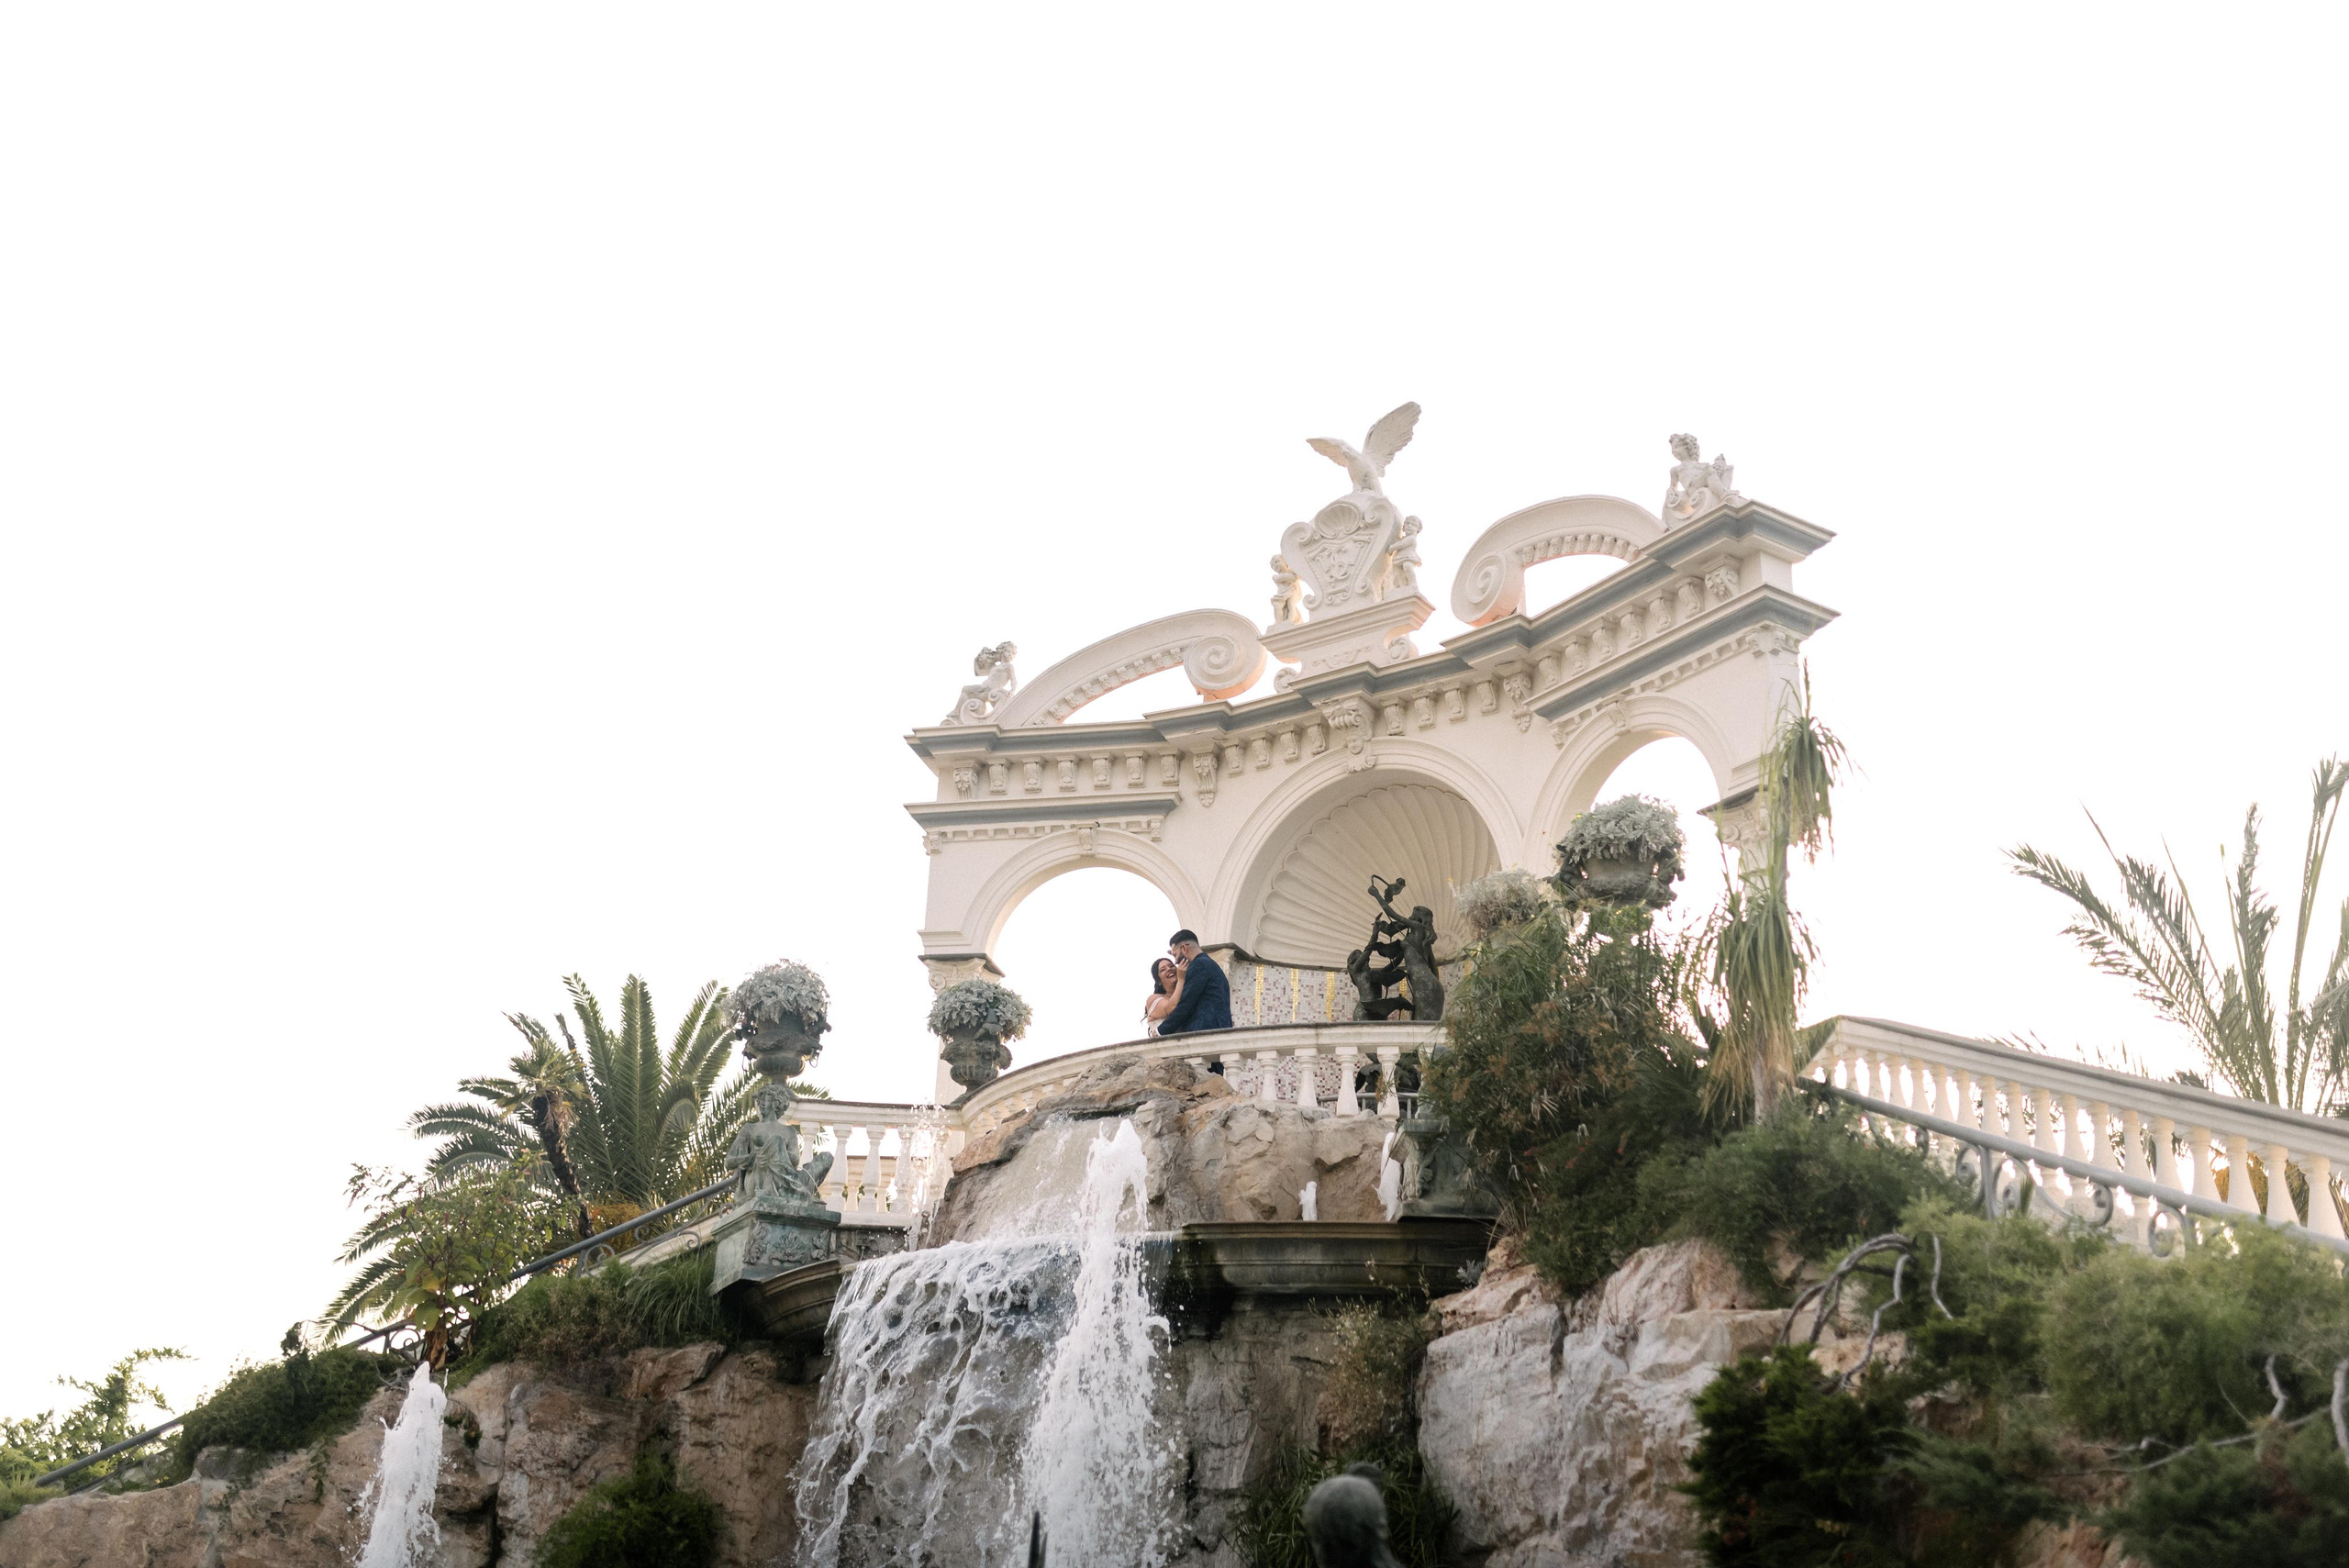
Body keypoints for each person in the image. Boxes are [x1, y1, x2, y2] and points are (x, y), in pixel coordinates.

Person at [1157, 929, 1232, 1035]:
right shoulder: (1210, 964)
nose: (1176, 961)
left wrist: (1160, 1031)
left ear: (1184, 948)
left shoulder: (1199, 965)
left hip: (1206, 1033)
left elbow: (1186, 1005)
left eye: (1175, 955)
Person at [1141, 956, 1183, 1036]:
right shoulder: (1154, 999)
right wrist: (1181, 979)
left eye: (1171, 966)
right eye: (1163, 970)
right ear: (1159, 981)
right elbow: (1172, 1008)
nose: (1169, 969)